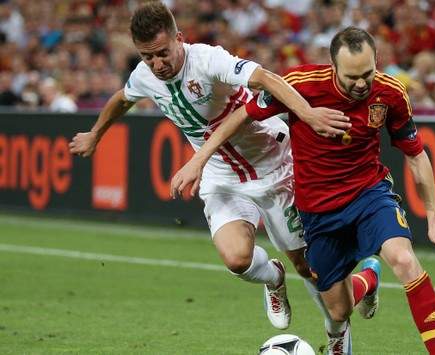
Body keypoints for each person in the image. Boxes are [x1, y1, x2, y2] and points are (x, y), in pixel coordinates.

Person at [172, 27, 435, 355]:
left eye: (367, 73)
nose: (361, 84)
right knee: (339, 310)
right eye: (352, 76)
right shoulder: (300, 86)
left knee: (404, 259)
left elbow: (415, 154)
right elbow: (242, 115)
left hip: (369, 194)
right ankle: (368, 278)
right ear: (333, 66)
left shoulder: (391, 92)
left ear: (376, 62)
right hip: (318, 212)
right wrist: (199, 159)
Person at [68, 1, 351, 331]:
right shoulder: (145, 75)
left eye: (162, 52)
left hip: (272, 165)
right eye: (148, 56)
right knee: (237, 260)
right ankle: (273, 278)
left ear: (179, 38)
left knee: (306, 265)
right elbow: (122, 98)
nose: (157, 64)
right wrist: (95, 134)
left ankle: (336, 334)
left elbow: (265, 78)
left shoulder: (207, 60)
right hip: (221, 174)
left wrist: (307, 113)